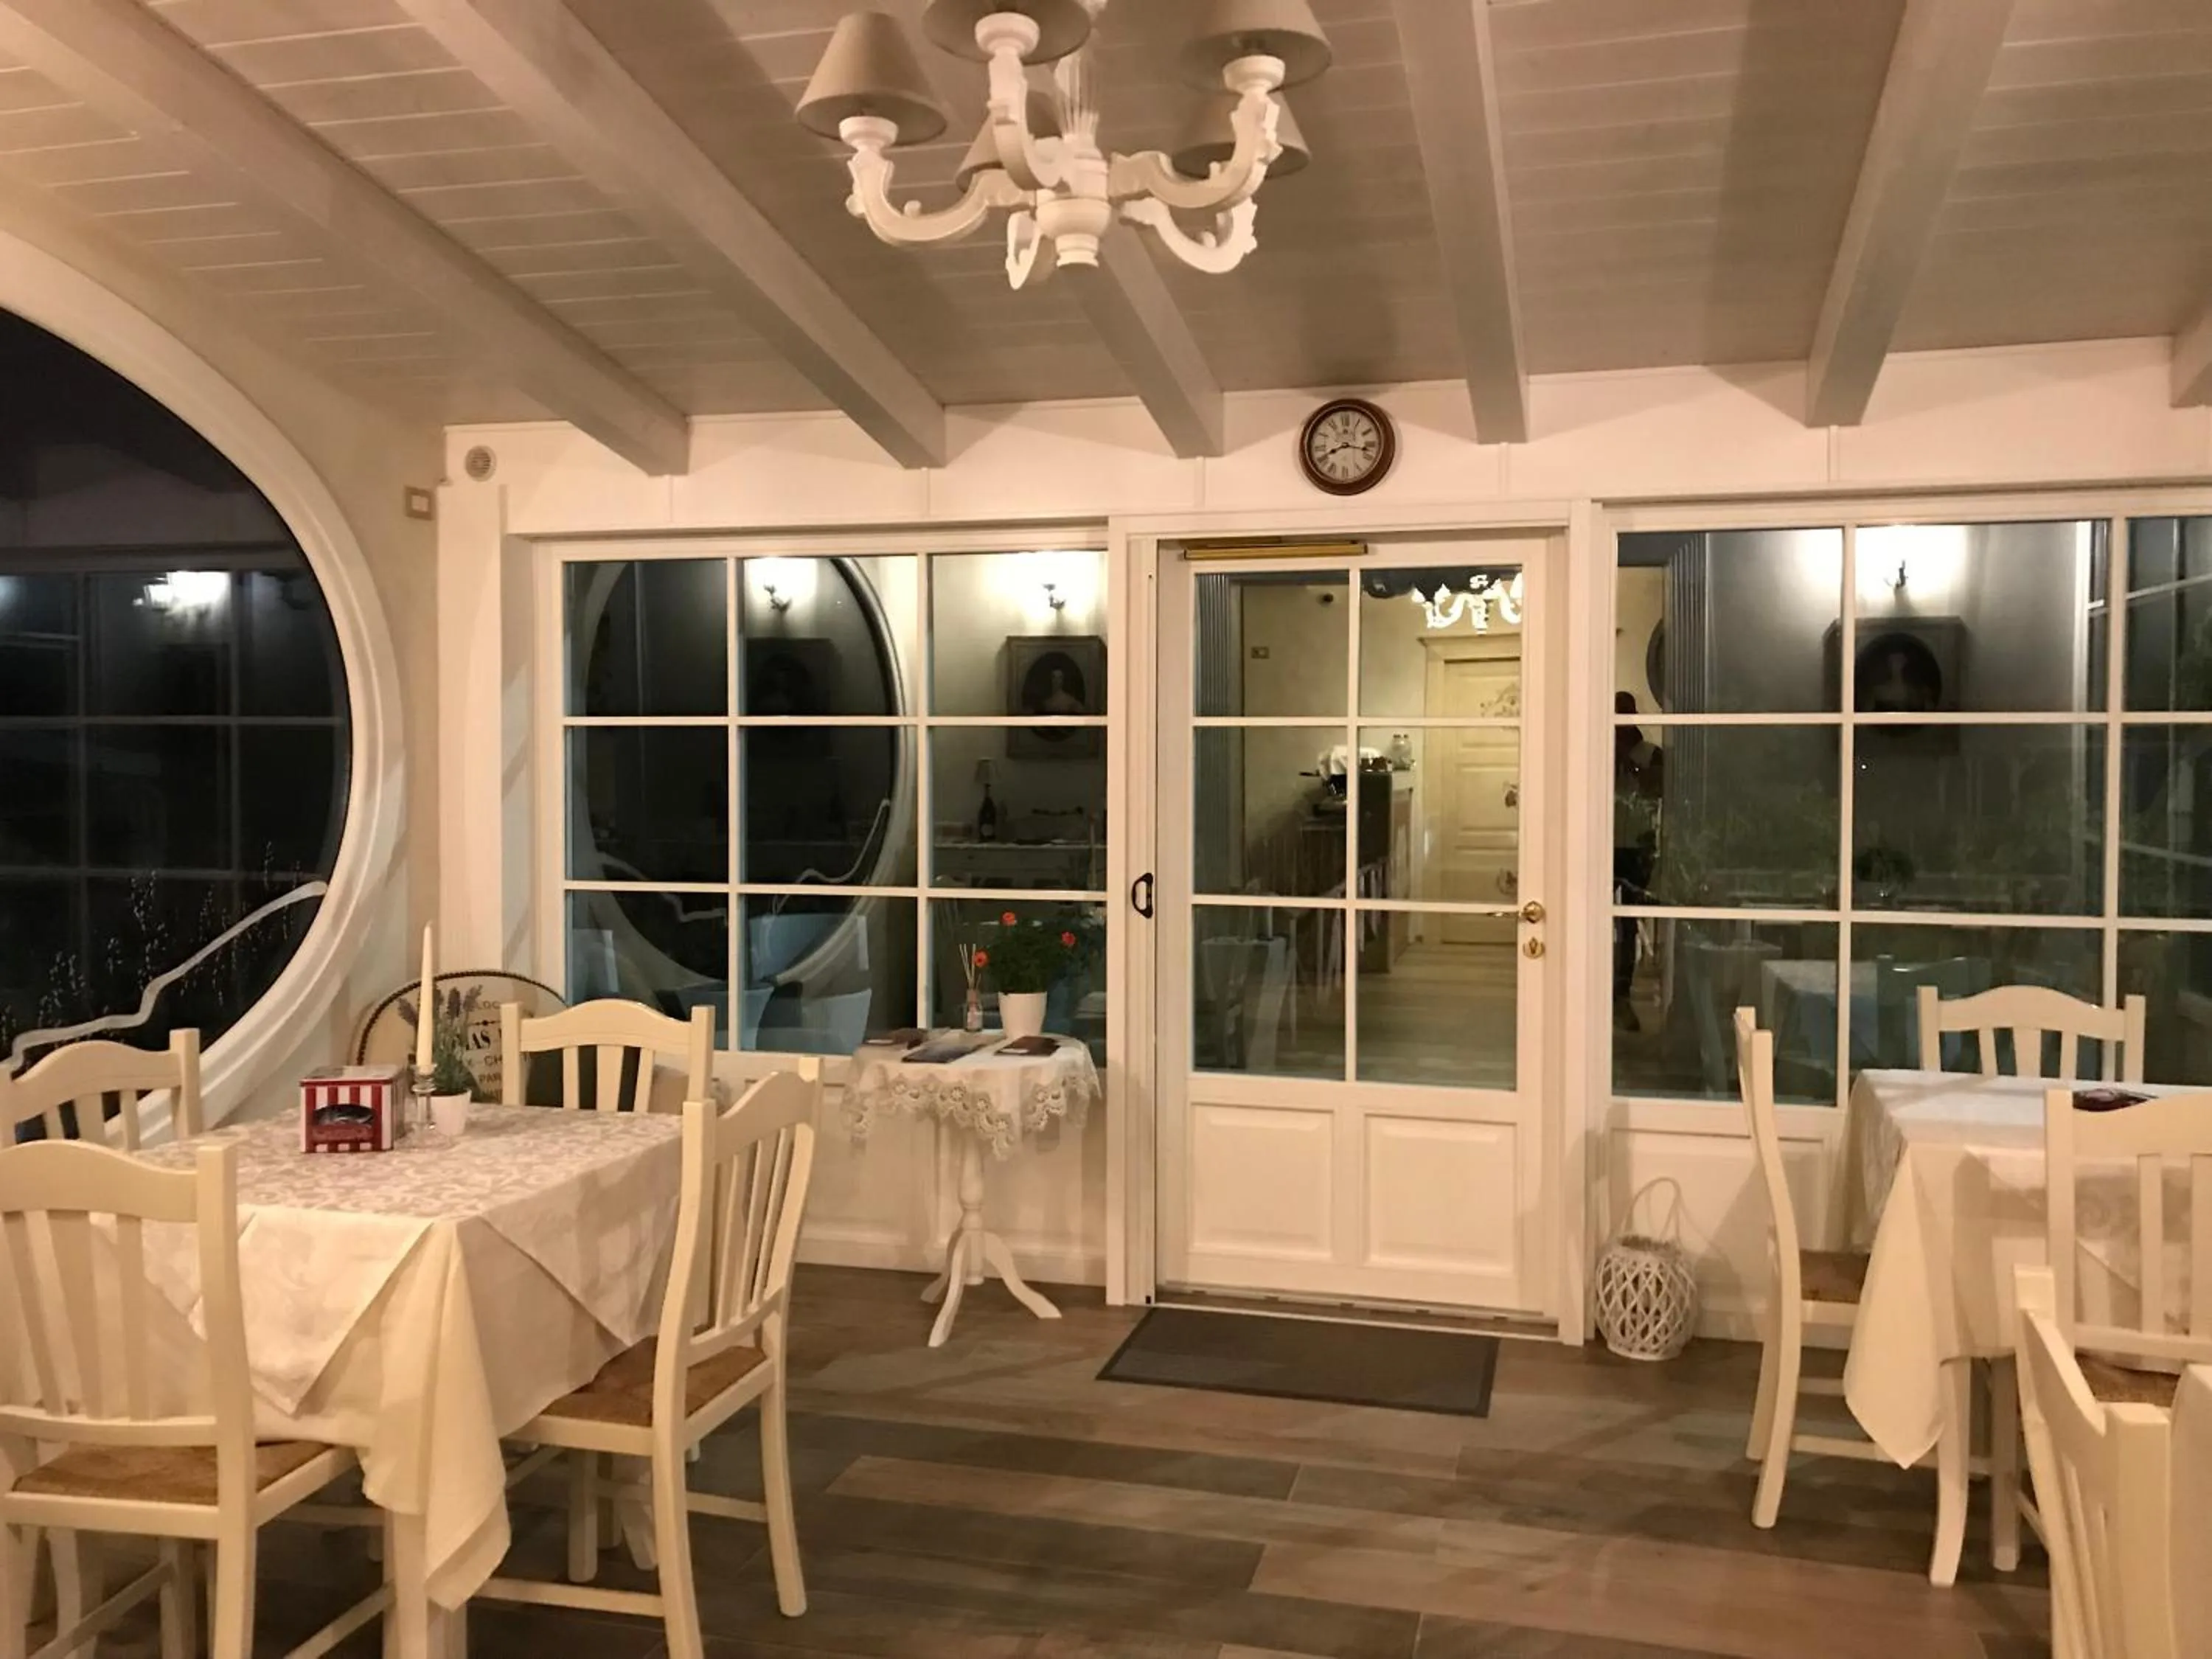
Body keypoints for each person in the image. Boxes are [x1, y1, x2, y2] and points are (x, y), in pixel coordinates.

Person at [1613, 692, 1664, 1030]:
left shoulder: (1649, 753)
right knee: (1588, 924)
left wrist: (1631, 762)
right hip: (1599, 845)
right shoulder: (1592, 748)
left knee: (1629, 924)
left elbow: (1658, 791)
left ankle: (1622, 995)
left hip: (1636, 848)